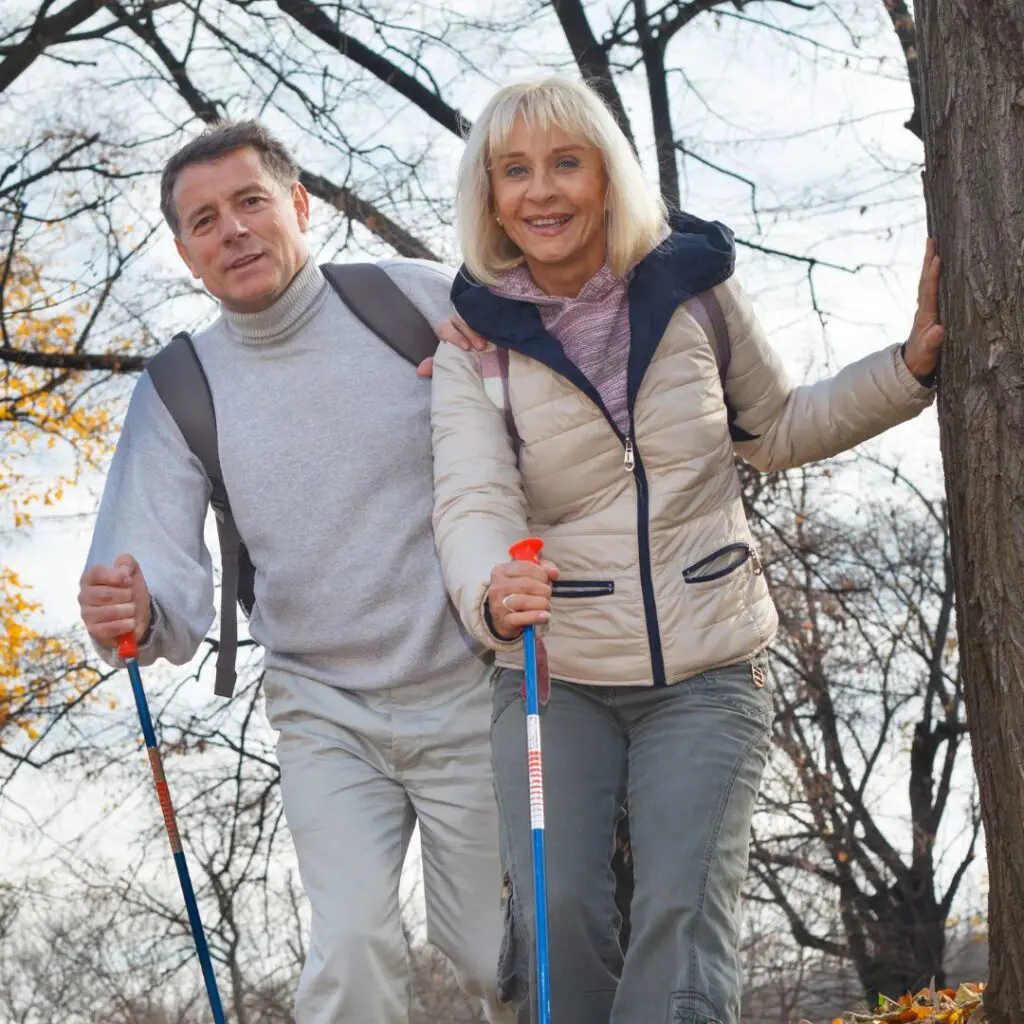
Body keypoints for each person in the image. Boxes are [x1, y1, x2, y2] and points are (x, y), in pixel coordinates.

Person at [430, 76, 944, 1024]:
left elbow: (778, 427)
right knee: (560, 911)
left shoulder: (692, 285)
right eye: (515, 171)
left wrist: (908, 370)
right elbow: (470, 497)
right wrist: (490, 587)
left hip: (708, 661)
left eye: (566, 163)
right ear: (490, 196)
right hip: (555, 668)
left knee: (682, 914)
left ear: (607, 175)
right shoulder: (475, 343)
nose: (542, 191)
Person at [77, 120, 512, 1024]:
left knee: (493, 954)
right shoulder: (178, 387)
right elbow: (150, 572)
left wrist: (496, 388)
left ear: (298, 206)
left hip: (469, 683)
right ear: (186, 252)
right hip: (324, 710)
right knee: (350, 950)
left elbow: (539, 412)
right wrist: (133, 603)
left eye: (249, 202)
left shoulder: (410, 300)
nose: (231, 230)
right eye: (203, 220)